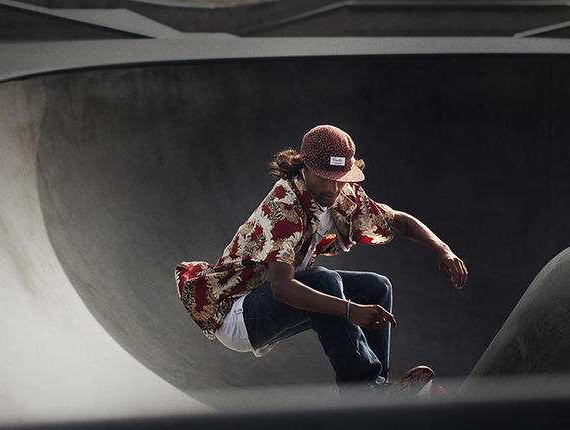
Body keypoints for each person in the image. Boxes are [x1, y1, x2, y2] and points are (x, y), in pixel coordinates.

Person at [175, 125, 467, 395]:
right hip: (239, 314)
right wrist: (349, 310)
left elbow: (395, 220)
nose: (332, 189)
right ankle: (365, 392)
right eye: (323, 179)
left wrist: (442, 249)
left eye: (339, 181)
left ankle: (378, 396)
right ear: (305, 168)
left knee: (377, 287)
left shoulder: (342, 194)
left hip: (269, 303)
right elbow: (282, 288)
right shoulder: (284, 205)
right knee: (324, 280)